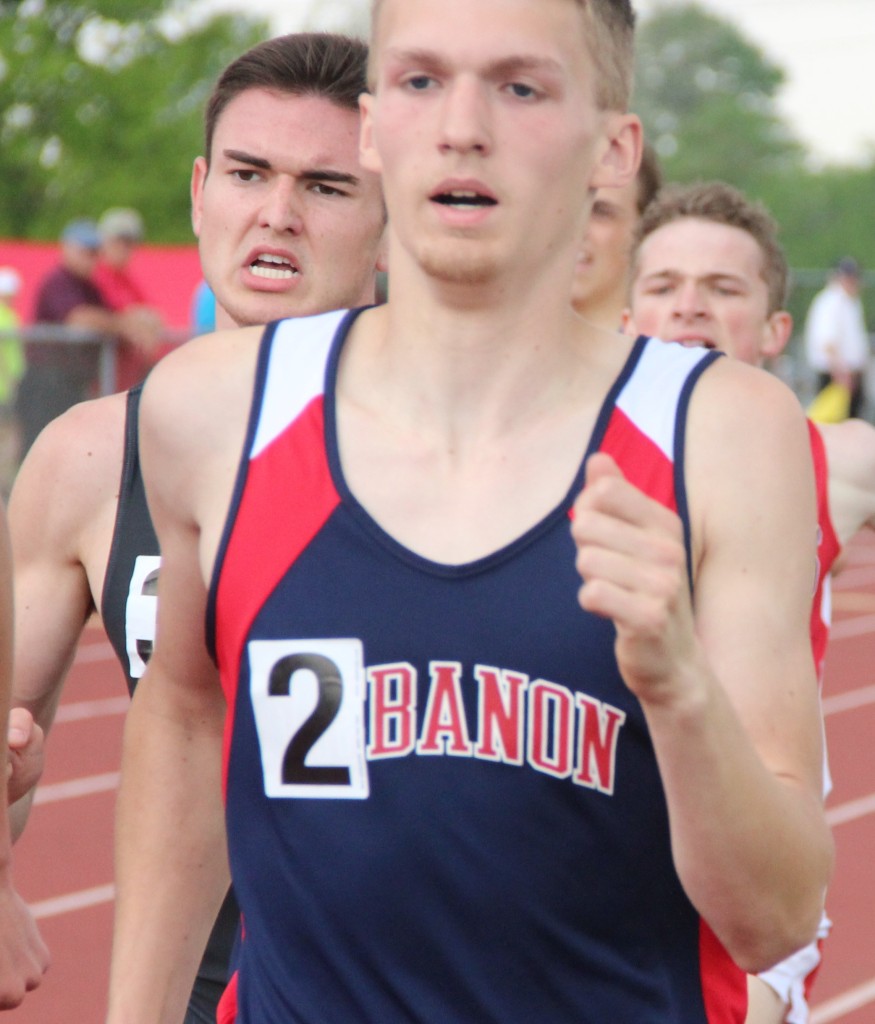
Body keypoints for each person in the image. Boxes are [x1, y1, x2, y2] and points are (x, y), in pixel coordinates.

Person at [107, 2, 833, 1022]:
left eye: (519, 87)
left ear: (611, 149)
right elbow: (184, 724)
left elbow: (778, 913)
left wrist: (678, 692)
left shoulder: (721, 434)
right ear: (369, 127)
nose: (461, 127)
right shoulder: (213, 411)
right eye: (418, 81)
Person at [7, 31, 386, 1024]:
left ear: (392, 218)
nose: (276, 214)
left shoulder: (475, 451)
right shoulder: (88, 458)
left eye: (327, 187)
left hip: (420, 981)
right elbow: (11, 731)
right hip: (193, 985)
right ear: (198, 191)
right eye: (248, 173)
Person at [625, 179, 875, 1024]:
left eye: (722, 290)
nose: (688, 308)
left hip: (753, 850)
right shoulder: (562, 459)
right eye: (662, 288)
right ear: (625, 321)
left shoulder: (833, 461)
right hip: (598, 847)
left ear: (775, 332)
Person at [14, 219, 154, 458]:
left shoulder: (89, 286)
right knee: (37, 455)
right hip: (45, 382)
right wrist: (122, 325)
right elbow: (79, 318)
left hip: (69, 383)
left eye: (95, 252)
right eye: (85, 251)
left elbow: (112, 314)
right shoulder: (59, 280)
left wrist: (130, 323)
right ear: (67, 249)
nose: (91, 258)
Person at [570, 140, 661, 329]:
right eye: (563, 209)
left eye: (600, 212)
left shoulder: (670, 352)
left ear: (646, 231)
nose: (574, 227)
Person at [94, 207, 165, 391]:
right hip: (96, 378)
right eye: (119, 241)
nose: (124, 249)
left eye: (129, 243)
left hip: (124, 378)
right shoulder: (94, 275)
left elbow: (151, 314)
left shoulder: (127, 280)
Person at [804, 257, 870, 420]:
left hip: (847, 374)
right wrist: (840, 372)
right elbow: (827, 341)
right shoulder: (831, 301)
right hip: (837, 375)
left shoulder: (849, 302)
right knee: (835, 425)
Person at [0, 268, 25, 494]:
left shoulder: (10, 316)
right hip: (4, 388)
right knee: (7, 435)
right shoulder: (5, 317)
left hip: (7, 388)